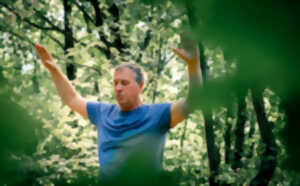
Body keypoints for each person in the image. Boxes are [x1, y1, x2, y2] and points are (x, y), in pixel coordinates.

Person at [34, 39, 202, 179]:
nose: (118, 88)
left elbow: (193, 102)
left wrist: (193, 65)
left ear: (140, 86)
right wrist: (54, 70)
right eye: (115, 83)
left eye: (124, 83)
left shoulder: (157, 115)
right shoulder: (102, 113)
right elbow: (72, 98)